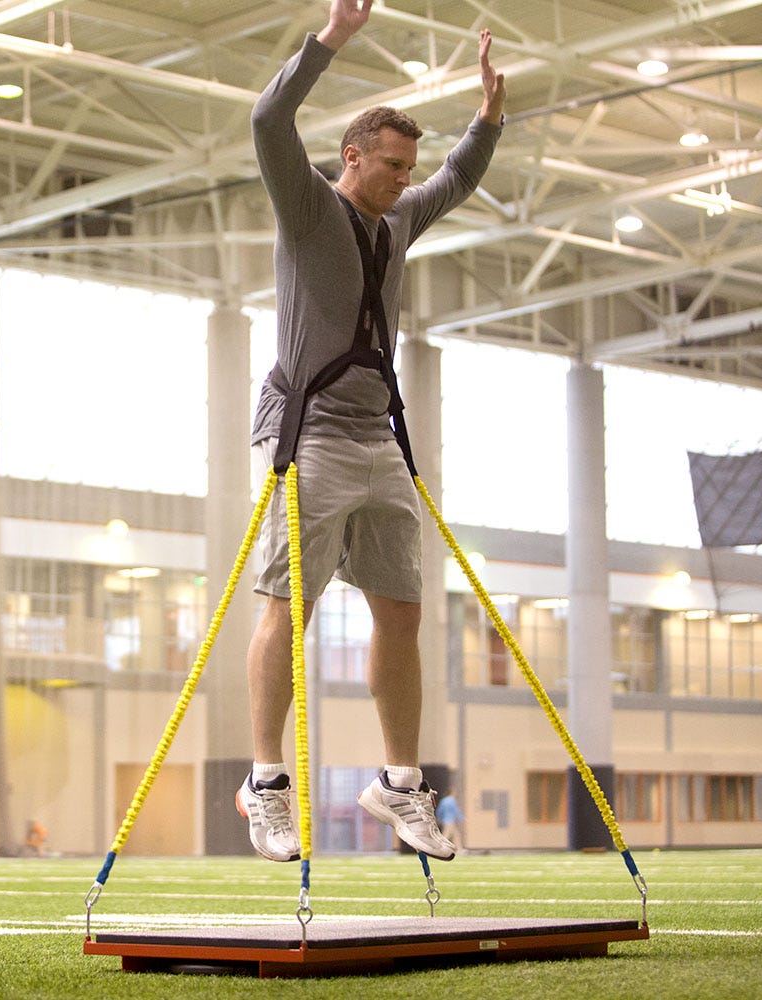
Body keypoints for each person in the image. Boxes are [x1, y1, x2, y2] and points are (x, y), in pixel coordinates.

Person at [235, 0, 505, 864]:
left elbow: (456, 181)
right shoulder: (307, 206)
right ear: (352, 158)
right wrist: (332, 39)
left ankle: (397, 783)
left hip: (377, 438)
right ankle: (267, 783)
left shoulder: (399, 219)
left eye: (406, 166)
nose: (402, 178)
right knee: (288, 606)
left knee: (403, 610)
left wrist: (487, 120)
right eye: (390, 165)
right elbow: (267, 118)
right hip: (306, 430)